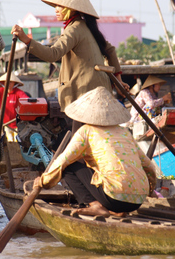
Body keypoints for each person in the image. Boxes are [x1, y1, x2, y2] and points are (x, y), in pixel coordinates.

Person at [33, 86, 157, 217]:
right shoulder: (125, 132)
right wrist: (150, 190)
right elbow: (149, 166)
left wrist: (42, 181)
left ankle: (95, 205)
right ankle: (118, 211)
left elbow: (62, 161)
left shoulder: (86, 131)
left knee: (69, 166)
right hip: (138, 200)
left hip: (113, 198)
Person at [11, 0, 129, 117]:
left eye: (60, 6)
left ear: (71, 9)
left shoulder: (74, 29)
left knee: (78, 135)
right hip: (99, 93)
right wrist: (118, 82)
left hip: (83, 97)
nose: (56, 9)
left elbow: (53, 54)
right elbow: (110, 50)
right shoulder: (87, 27)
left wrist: (26, 39)